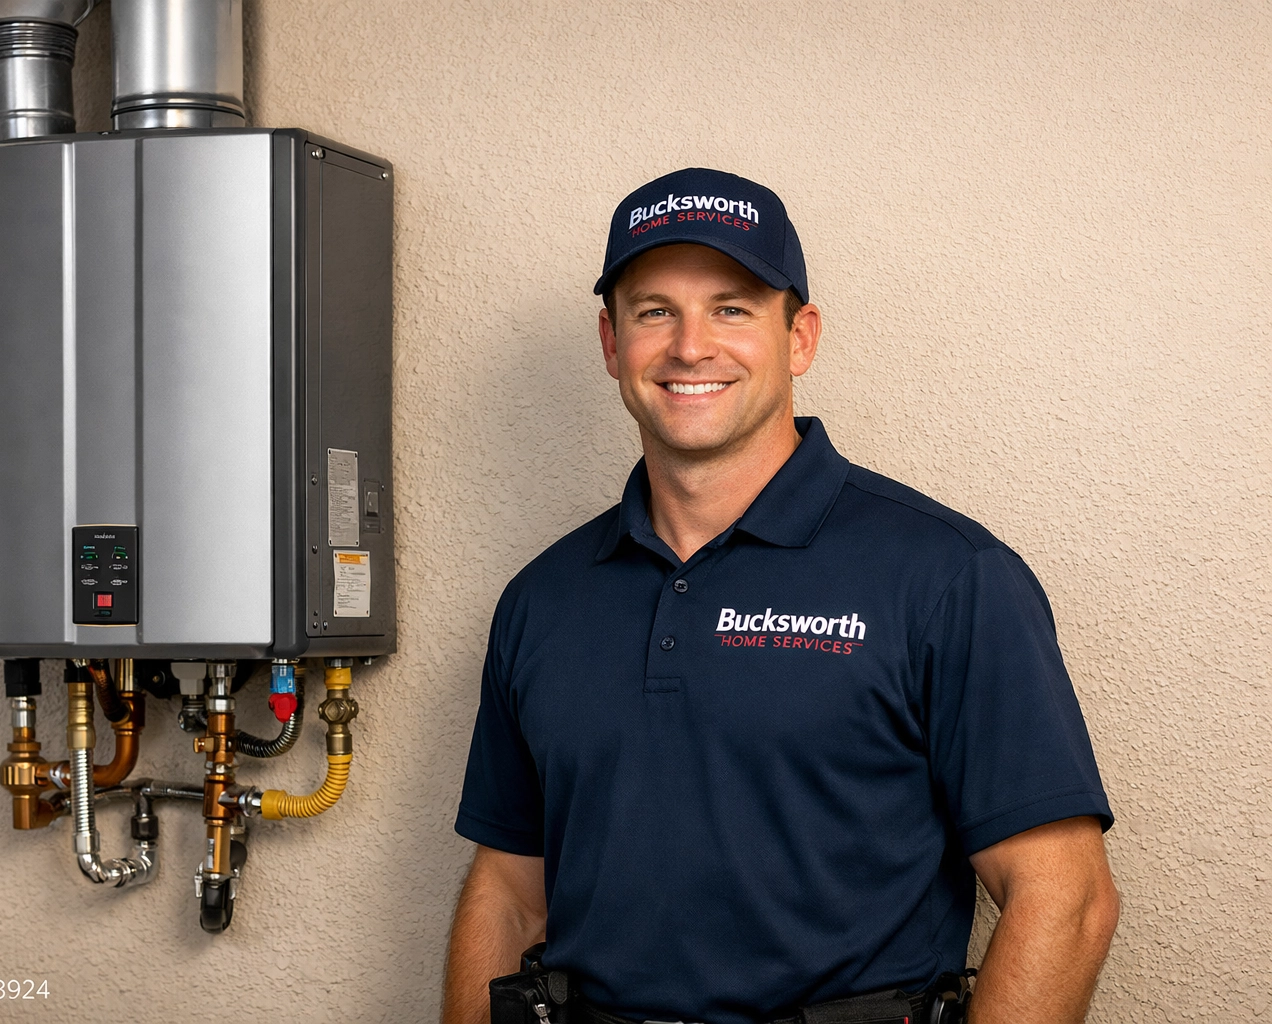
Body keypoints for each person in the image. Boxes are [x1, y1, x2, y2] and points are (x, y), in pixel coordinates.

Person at [442, 168, 1119, 1024]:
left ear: (799, 337)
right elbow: (509, 891)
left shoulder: (946, 576)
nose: (691, 346)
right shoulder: (543, 600)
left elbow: (1067, 900)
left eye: (732, 307)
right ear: (612, 344)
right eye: (655, 311)